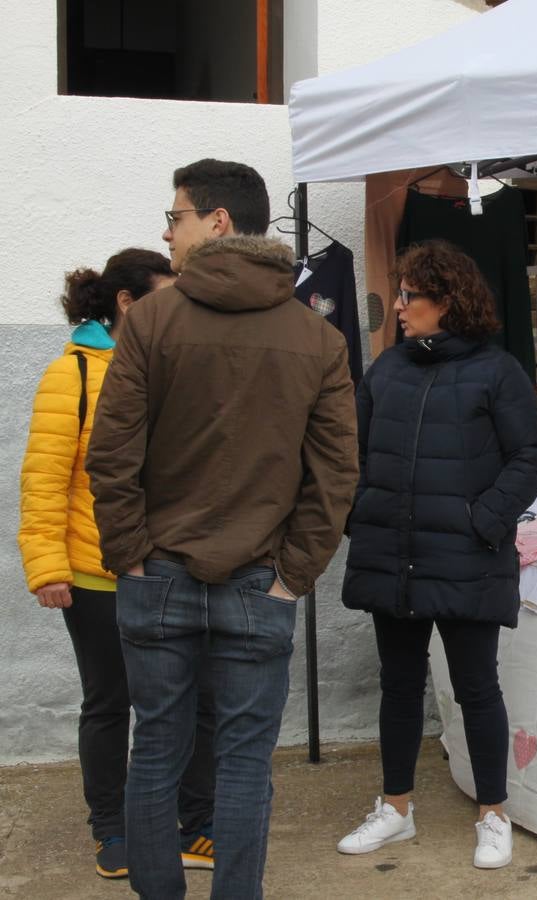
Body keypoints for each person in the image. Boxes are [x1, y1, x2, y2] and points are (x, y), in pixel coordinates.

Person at [86, 159, 359, 899]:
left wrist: (132, 556)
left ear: (217, 222)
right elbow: (333, 476)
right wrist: (289, 576)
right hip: (252, 582)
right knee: (242, 762)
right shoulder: (317, 339)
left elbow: (111, 455)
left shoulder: (148, 322)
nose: (168, 233)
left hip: (166, 576)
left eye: (174, 217)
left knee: (158, 754)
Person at [337, 240, 537, 869]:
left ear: (447, 301)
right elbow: (354, 452)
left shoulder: (497, 371)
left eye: (409, 295)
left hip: (466, 556)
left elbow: (530, 458)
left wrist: (480, 520)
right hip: (392, 554)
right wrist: (360, 514)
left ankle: (493, 814)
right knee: (398, 687)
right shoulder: (388, 369)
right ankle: (395, 810)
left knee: (476, 687)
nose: (397, 307)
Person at [18, 249, 219, 880]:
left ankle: (199, 825)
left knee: (193, 699)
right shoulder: (71, 375)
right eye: (167, 300)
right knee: (110, 702)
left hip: (172, 567)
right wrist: (47, 565)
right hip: (93, 571)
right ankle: (112, 829)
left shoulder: (170, 362)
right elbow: (46, 480)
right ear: (128, 305)